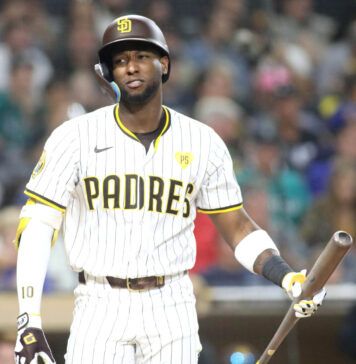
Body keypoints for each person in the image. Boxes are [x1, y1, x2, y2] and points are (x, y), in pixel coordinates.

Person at [14, 14, 326, 364]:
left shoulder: (202, 140)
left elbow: (238, 228)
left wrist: (286, 276)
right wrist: (29, 318)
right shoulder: (74, 137)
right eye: (120, 61)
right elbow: (37, 227)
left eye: (141, 57)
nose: (130, 67)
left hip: (171, 302)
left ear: (164, 63)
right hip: (99, 301)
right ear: (108, 75)